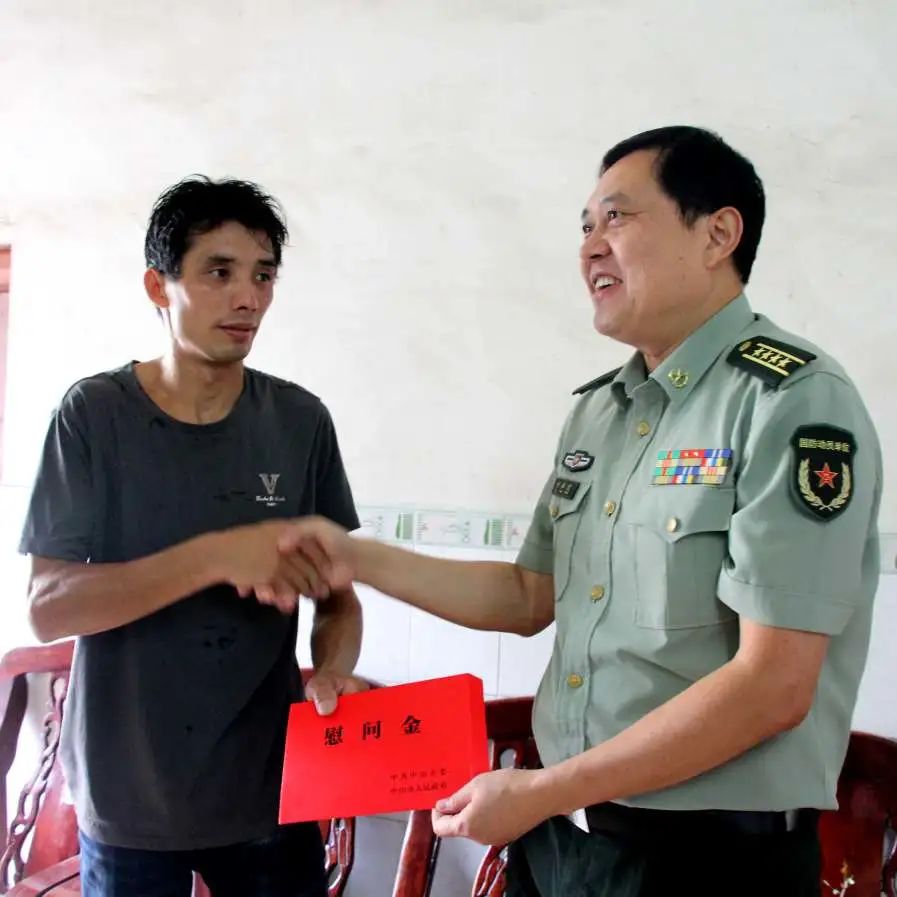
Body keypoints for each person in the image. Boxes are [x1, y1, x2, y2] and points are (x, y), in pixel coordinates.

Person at [280, 127, 882, 896]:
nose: (590, 247)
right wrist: (355, 557)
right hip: (564, 838)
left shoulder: (790, 401)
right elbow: (528, 594)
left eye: (616, 218)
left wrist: (543, 790)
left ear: (716, 234)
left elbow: (773, 684)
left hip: (705, 860)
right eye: (585, 226)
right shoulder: (600, 412)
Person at [20, 176, 365, 897]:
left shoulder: (300, 421)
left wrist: (333, 667)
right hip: (127, 799)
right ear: (159, 285)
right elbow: (49, 608)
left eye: (263, 275)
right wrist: (212, 556)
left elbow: (338, 597)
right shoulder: (93, 416)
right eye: (219, 272)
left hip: (269, 792)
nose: (248, 298)